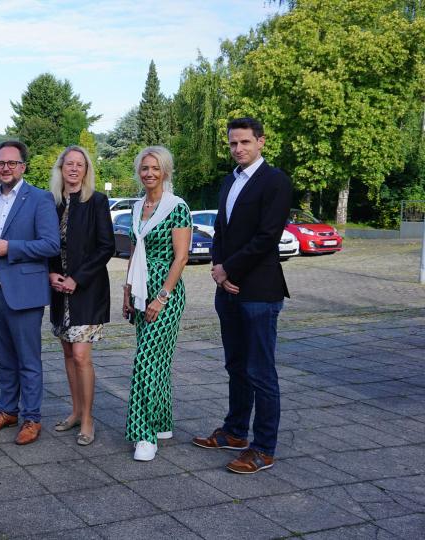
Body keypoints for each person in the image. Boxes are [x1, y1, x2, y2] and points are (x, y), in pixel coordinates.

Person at [192, 117, 292, 474]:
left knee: (260, 370)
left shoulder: (275, 181)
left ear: (261, 142)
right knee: (236, 365)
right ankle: (235, 432)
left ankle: (263, 447)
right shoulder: (229, 180)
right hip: (228, 288)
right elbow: (220, 229)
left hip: (259, 291)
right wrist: (219, 266)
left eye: (245, 142)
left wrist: (228, 269)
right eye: (233, 143)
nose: (238, 149)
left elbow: (267, 237)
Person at [0, 140, 60, 445]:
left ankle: (31, 418)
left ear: (23, 166)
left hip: (24, 294)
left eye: (11, 163)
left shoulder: (39, 199)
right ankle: (7, 411)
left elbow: (50, 244)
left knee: (28, 360)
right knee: (3, 359)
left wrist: (12, 248)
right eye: (0, 163)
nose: (5, 168)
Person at [121, 146, 191, 462]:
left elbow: (181, 256)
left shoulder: (177, 207)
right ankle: (162, 423)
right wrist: (126, 291)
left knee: (145, 360)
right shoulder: (138, 207)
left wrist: (162, 298)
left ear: (165, 171)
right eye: (144, 168)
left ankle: (145, 435)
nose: (149, 173)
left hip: (166, 291)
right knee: (158, 363)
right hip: (140, 289)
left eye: (155, 168)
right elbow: (136, 250)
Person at [47, 146, 115, 446]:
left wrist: (77, 278)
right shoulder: (51, 202)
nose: (74, 169)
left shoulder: (97, 201)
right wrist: (50, 273)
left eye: (80, 165)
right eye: (69, 164)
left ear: (87, 170)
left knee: (81, 355)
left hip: (87, 290)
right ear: (61, 168)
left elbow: (106, 247)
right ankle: (75, 412)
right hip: (59, 291)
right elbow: (46, 243)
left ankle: (88, 418)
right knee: (66, 354)